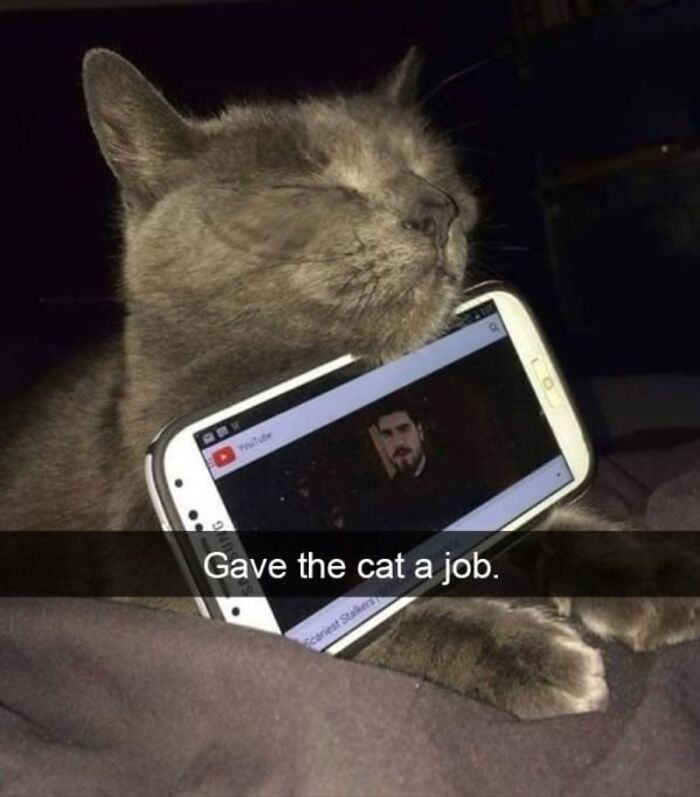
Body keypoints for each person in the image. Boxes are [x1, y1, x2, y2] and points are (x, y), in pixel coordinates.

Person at [371, 404, 482, 530]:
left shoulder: (460, 475)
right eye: (387, 434)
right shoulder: (385, 503)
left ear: (420, 432)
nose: (397, 442)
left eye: (403, 429)